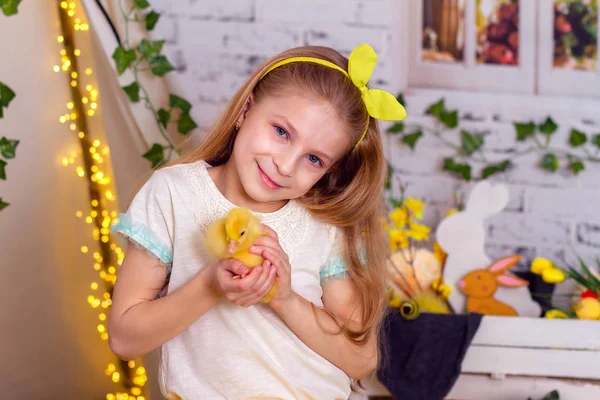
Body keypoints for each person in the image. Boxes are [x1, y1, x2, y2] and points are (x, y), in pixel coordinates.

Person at [108, 43, 407, 400]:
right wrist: (212, 286)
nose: (285, 165)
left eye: (313, 158)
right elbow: (124, 339)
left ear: (330, 170)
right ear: (245, 110)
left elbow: (360, 360)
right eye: (281, 131)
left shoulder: (325, 225)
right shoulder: (174, 194)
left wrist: (284, 298)